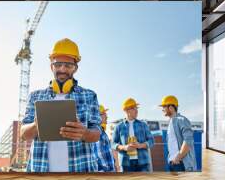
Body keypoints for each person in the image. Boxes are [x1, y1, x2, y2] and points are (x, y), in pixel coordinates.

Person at [21, 38, 101, 172]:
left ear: (75, 68)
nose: (62, 69)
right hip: (41, 172)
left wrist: (84, 133)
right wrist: (36, 125)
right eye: (58, 64)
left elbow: (97, 134)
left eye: (68, 65)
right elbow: (23, 134)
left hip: (81, 172)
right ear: (51, 66)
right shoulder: (35, 96)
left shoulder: (89, 96)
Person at [112, 98, 154, 172]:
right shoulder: (119, 126)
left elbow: (151, 141)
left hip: (143, 162)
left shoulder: (143, 125)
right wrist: (124, 147)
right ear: (127, 110)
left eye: (136, 108)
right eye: (134, 108)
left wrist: (140, 145)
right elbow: (113, 144)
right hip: (125, 164)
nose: (136, 111)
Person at [159, 95, 197, 172]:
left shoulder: (182, 120)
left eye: (164, 107)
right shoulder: (170, 123)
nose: (162, 109)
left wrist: (178, 158)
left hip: (181, 164)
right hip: (173, 163)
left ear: (171, 107)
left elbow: (188, 141)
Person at [94, 105, 115, 172]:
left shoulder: (102, 132)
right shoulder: (98, 132)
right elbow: (100, 156)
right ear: (98, 116)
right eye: (104, 114)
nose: (107, 116)